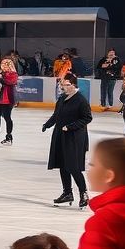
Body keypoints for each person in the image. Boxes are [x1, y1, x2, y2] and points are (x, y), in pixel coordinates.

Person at [42, 72, 92, 208]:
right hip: (60, 135)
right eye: (62, 84)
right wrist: (48, 124)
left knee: (73, 166)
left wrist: (70, 127)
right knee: (62, 164)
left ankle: (84, 194)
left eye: (67, 85)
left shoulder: (81, 100)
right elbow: (56, 114)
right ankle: (67, 193)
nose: (64, 87)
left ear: (74, 84)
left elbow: (87, 118)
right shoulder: (62, 98)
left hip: (74, 137)